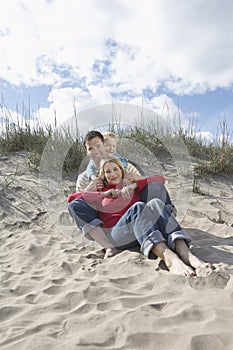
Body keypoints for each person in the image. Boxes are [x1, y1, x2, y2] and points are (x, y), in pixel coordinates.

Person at [68, 157, 211, 276]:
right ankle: (169, 258)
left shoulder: (131, 185)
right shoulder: (102, 192)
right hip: (117, 235)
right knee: (138, 207)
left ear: (122, 171)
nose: (113, 174)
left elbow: (159, 180)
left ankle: (184, 251)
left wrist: (133, 185)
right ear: (103, 176)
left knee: (155, 202)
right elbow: (73, 201)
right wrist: (104, 194)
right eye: (108, 172)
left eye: (116, 169)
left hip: (141, 229)